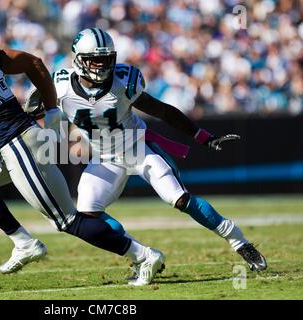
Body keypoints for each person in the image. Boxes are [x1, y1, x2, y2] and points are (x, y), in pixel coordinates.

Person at [0, 8, 163, 286]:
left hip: (18, 142)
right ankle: (24, 243)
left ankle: (144, 255)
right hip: (10, 140)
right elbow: (33, 62)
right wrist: (50, 110)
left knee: (68, 220)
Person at [35, 28, 267, 274]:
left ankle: (240, 242)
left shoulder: (124, 82)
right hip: (104, 157)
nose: (102, 65)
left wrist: (202, 136)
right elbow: (39, 110)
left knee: (180, 199)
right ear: (78, 59)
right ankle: (143, 256)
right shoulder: (60, 85)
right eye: (95, 59)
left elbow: (163, 111)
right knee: (87, 215)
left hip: (138, 147)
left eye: (106, 58)